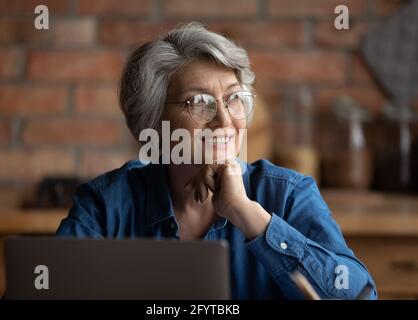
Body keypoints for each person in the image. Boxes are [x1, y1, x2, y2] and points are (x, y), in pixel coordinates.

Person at [56, 23, 377, 300]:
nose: (224, 121)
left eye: (235, 98)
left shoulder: (288, 195)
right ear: (152, 120)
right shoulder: (107, 203)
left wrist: (248, 215)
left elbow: (359, 294)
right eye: (199, 102)